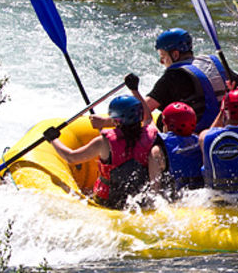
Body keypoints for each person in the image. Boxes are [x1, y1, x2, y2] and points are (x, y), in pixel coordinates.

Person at [45, 74, 166, 209]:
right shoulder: (151, 133)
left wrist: (53, 139)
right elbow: (148, 116)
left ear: (115, 121)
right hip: (140, 200)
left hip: (108, 202)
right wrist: (134, 90)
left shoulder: (104, 142)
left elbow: (70, 157)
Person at [92, 28, 229, 133]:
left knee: (159, 121)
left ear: (175, 54)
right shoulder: (212, 62)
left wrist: (104, 122)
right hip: (227, 127)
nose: (161, 61)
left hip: (197, 134)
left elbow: (139, 112)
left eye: (163, 56)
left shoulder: (173, 76)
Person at [158, 102, 204, 191]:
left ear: (168, 125)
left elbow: (155, 187)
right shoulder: (200, 140)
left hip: (178, 195)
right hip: (200, 192)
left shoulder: (160, 148)